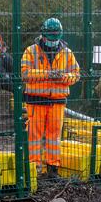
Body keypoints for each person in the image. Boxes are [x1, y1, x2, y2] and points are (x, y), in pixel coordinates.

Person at [21, 18, 80, 178]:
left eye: (56, 38)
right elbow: (25, 74)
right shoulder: (31, 51)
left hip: (57, 102)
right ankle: (33, 169)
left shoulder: (67, 53)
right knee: (34, 135)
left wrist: (62, 77)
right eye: (50, 38)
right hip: (36, 101)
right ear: (43, 35)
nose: (53, 42)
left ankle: (53, 168)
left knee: (54, 136)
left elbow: (76, 75)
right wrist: (47, 74)